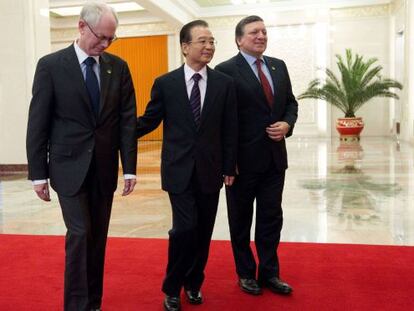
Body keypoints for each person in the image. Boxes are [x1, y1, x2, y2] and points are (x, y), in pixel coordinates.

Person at [26, 2, 137, 310]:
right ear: (80, 26)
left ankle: (93, 302)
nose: (104, 44)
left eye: (110, 39)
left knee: (97, 238)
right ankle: (76, 305)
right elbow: (38, 122)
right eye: (100, 37)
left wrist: (129, 168)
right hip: (67, 166)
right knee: (80, 233)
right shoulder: (51, 65)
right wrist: (38, 173)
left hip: (103, 168)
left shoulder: (118, 67)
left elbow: (126, 120)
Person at [137, 20, 237, 311]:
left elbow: (229, 128)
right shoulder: (165, 83)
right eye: (202, 41)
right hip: (178, 170)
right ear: (185, 47)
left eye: (212, 41)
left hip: (210, 170)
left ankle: (194, 283)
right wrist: (118, 132)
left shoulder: (223, 84)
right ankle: (172, 287)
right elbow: (149, 120)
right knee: (184, 229)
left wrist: (229, 166)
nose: (209, 47)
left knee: (203, 231)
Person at [215, 15, 298, 296]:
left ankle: (270, 273)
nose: (261, 36)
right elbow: (221, 120)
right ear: (239, 39)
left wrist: (287, 124)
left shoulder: (278, 66)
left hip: (275, 159)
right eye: (254, 32)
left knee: (271, 218)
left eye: (264, 31)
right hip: (240, 163)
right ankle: (245, 273)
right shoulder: (225, 70)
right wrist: (227, 163)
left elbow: (290, 103)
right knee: (240, 220)